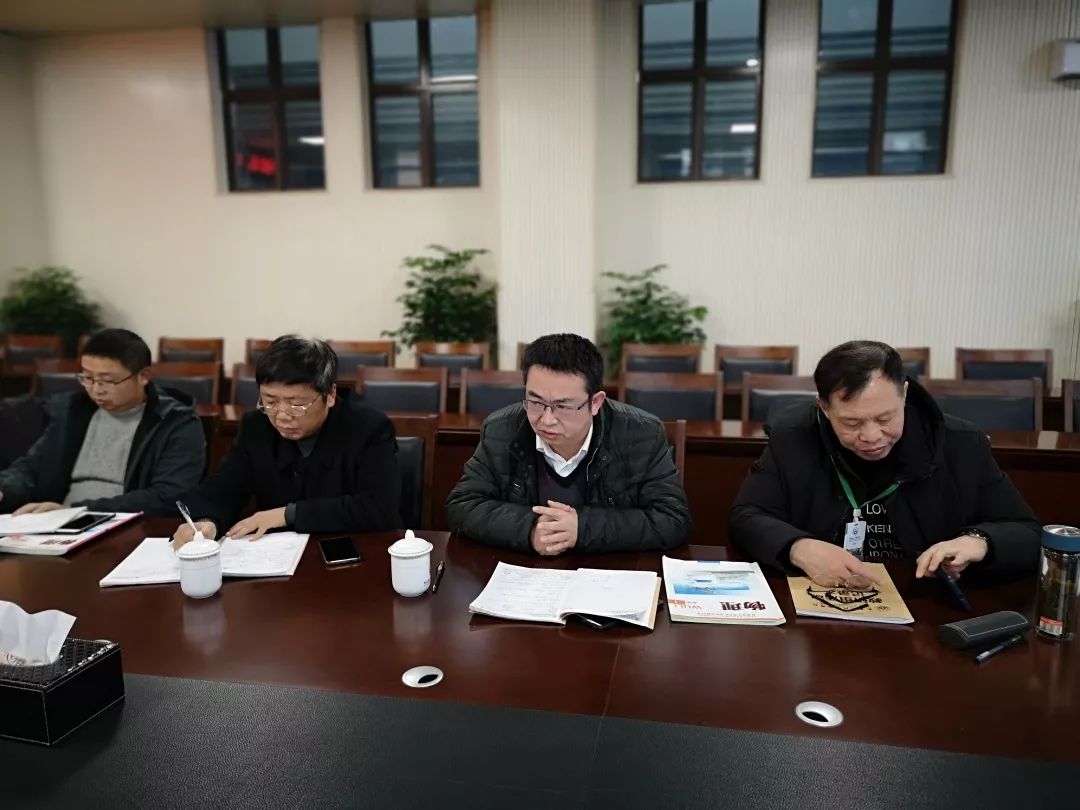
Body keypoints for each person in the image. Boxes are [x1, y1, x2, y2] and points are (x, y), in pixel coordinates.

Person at [728, 340, 1041, 586]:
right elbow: (745, 516)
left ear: (904, 393)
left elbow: (1029, 533)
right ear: (823, 407)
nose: (871, 436)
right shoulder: (794, 436)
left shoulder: (961, 444)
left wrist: (979, 542)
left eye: (885, 418)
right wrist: (798, 548)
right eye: (851, 423)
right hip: (824, 600)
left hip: (926, 603)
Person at [446, 333, 691, 555]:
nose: (547, 419)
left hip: (609, 575)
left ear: (595, 402)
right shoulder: (501, 429)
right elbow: (462, 506)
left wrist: (582, 528)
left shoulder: (642, 433)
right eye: (536, 402)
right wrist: (529, 529)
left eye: (562, 406)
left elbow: (673, 520)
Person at [172, 335, 400, 547]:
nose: (281, 415)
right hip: (277, 556)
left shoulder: (368, 428)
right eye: (270, 401)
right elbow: (224, 488)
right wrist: (208, 522)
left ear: (330, 395)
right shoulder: (256, 426)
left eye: (296, 404)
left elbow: (377, 508)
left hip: (354, 552)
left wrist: (286, 515)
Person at [0, 328, 205, 515]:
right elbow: (32, 468)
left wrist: (78, 511)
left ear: (143, 376)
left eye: (107, 380)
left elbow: (168, 496)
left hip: (125, 525)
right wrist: (4, 490)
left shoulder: (174, 422)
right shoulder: (72, 411)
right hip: (60, 523)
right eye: (88, 378)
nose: (96, 389)